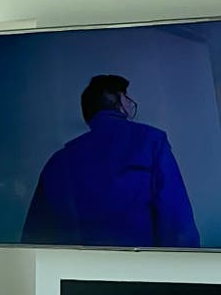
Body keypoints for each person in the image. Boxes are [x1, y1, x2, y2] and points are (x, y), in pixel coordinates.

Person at [20, 73, 200, 247]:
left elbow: (34, 236)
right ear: (121, 101)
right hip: (139, 270)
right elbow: (176, 220)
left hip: (78, 272)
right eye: (129, 100)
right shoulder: (151, 141)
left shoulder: (57, 162)